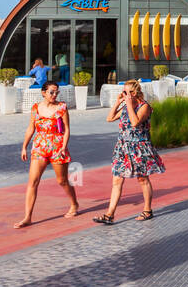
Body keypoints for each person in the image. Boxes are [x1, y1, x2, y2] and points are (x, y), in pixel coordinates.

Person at [94, 79, 166, 224]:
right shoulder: (126, 106)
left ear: (136, 92)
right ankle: (110, 214)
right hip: (123, 148)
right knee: (117, 180)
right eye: (124, 92)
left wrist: (128, 105)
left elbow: (135, 122)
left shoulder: (144, 107)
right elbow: (110, 118)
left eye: (129, 92)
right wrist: (118, 103)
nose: (127, 95)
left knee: (142, 179)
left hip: (139, 148)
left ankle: (147, 210)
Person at [14, 81, 78, 228]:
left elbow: (67, 129)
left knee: (62, 181)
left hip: (57, 148)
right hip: (39, 147)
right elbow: (31, 128)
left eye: (56, 92)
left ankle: (74, 204)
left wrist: (63, 146)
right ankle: (27, 217)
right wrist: (24, 147)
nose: (54, 95)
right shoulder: (36, 108)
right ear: (43, 92)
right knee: (33, 182)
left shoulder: (61, 108)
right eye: (51, 92)